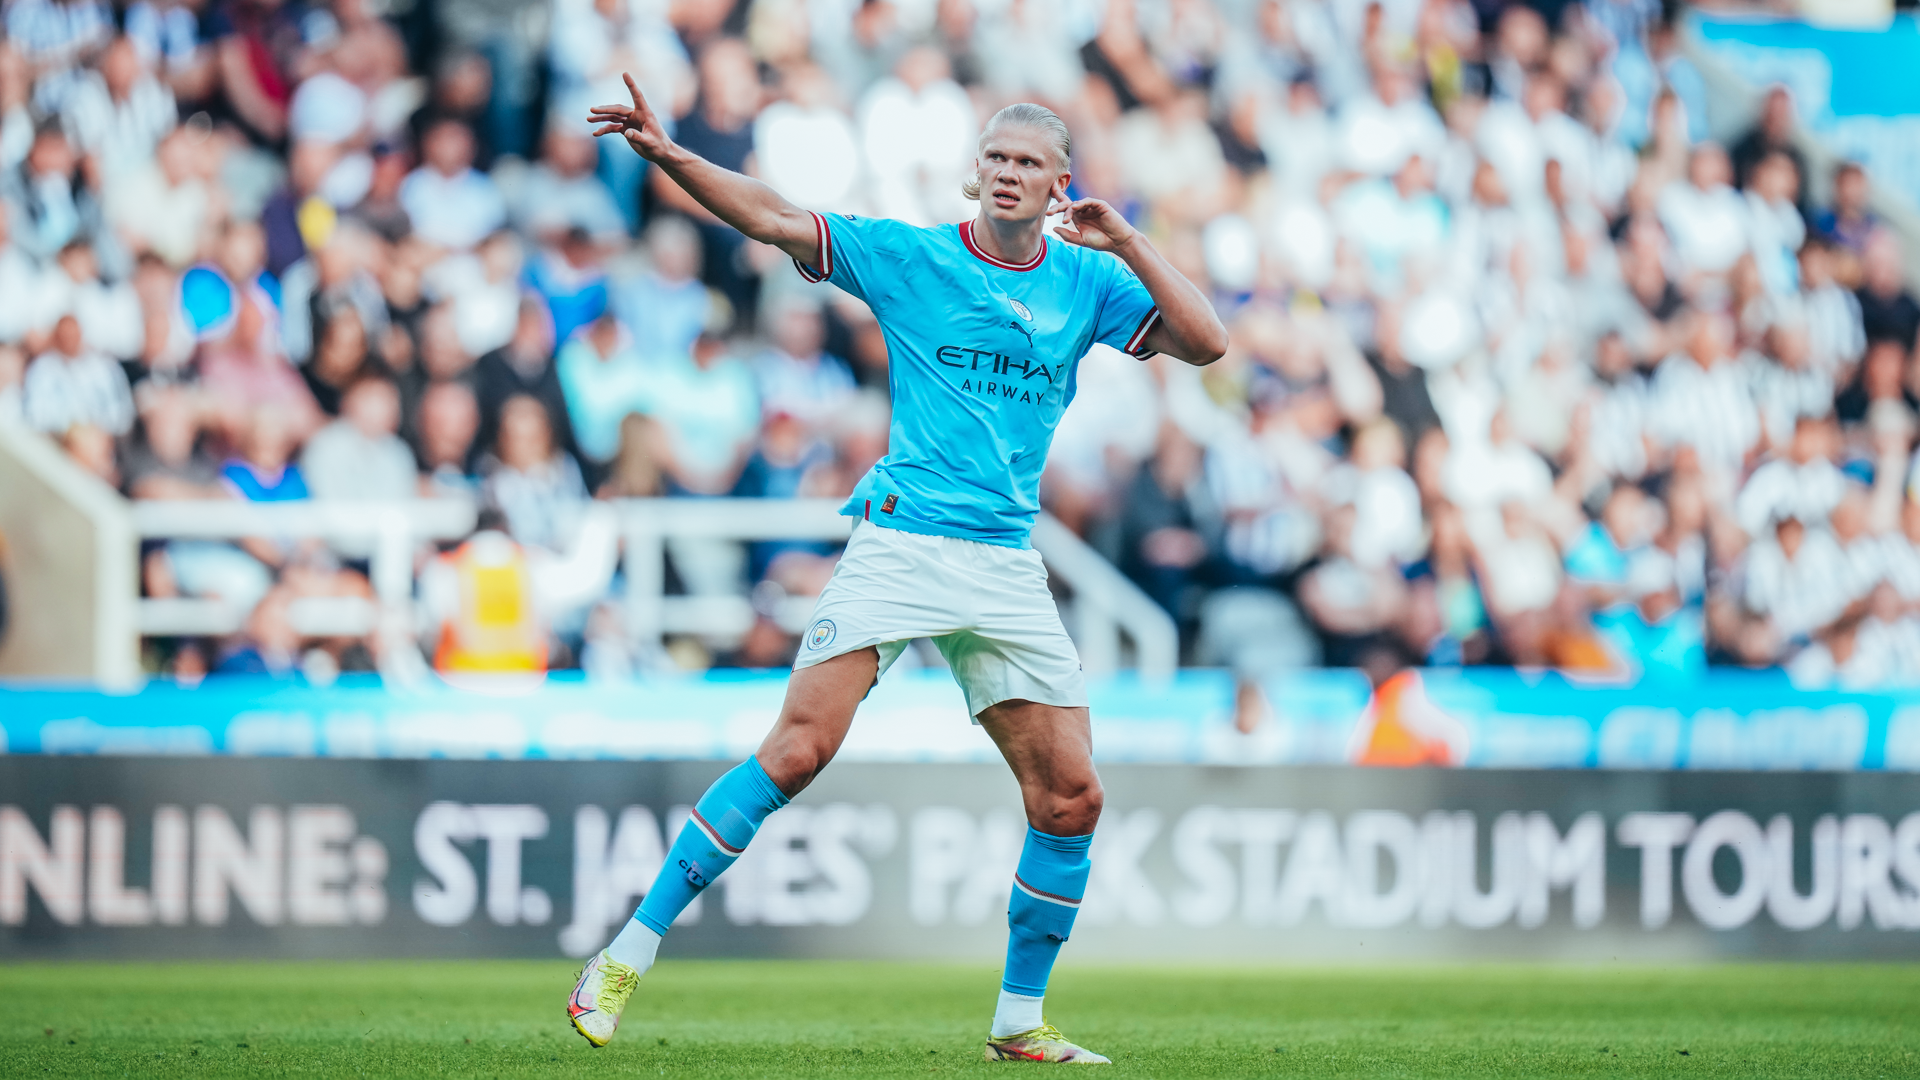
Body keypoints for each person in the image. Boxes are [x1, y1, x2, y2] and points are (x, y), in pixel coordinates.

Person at [569, 75, 1227, 1062]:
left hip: (1005, 562)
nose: (1007, 175)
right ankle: (624, 953)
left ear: (1061, 186)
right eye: (995, 159)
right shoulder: (912, 257)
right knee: (797, 750)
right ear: (975, 172)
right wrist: (669, 156)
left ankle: (1018, 1022)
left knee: (1071, 799)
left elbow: (1208, 344)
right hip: (905, 540)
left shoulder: (1088, 282)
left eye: (1027, 164)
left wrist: (1126, 240)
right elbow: (776, 217)